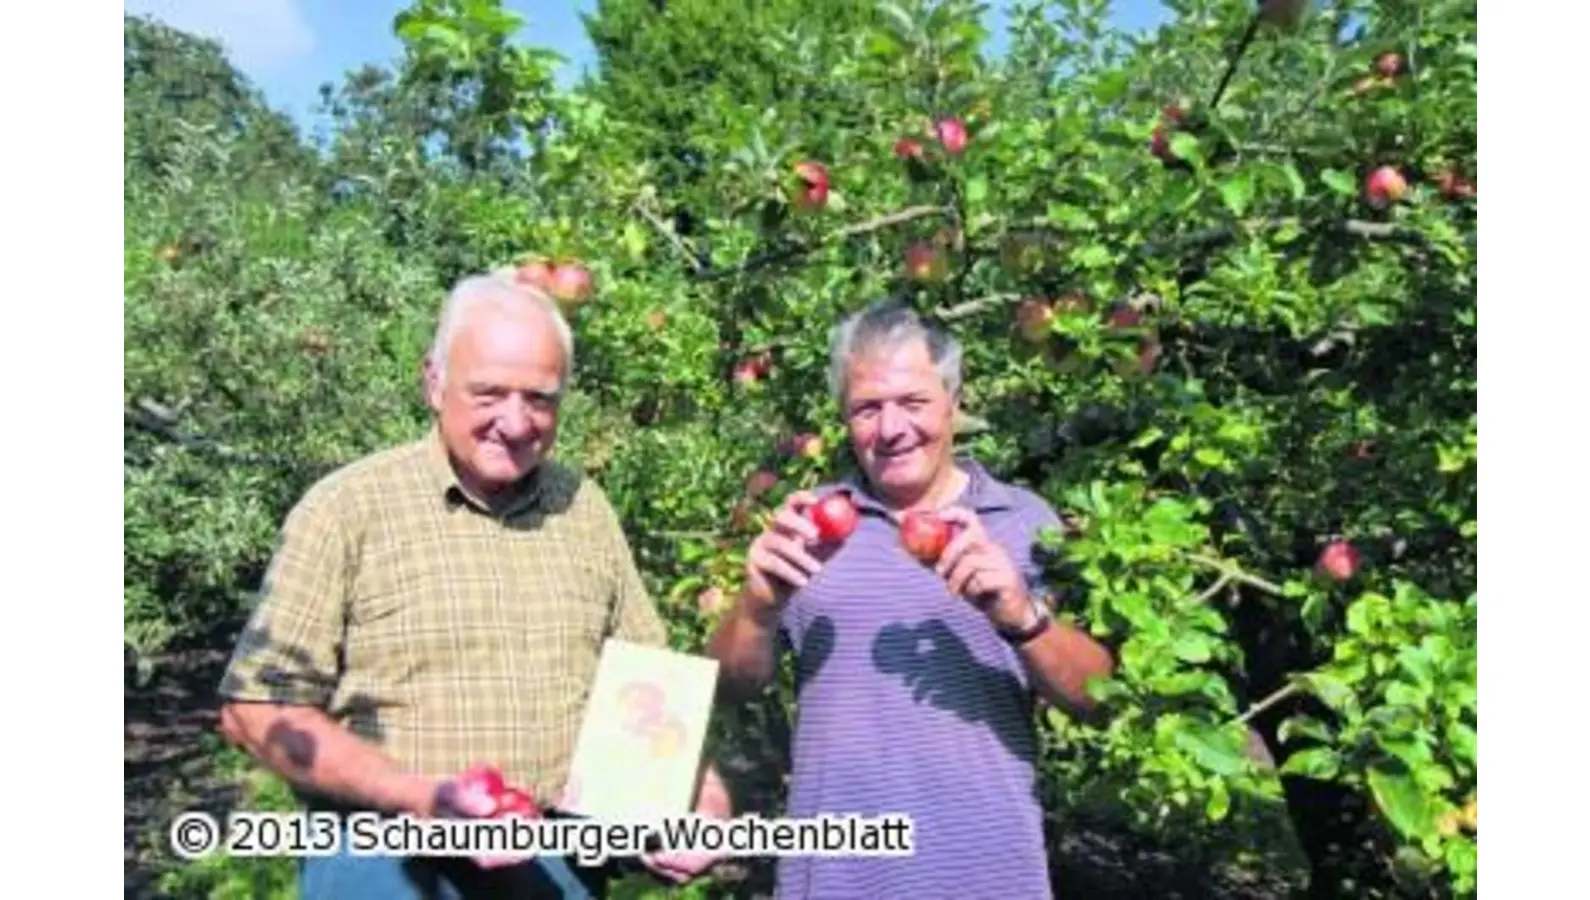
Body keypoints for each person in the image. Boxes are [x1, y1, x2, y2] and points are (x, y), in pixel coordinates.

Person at [215, 269, 732, 899]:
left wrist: (702, 795)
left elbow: (651, 687)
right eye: (488, 393)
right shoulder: (347, 511)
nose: (515, 423)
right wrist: (419, 797)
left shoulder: (583, 509)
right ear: (434, 382)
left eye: (539, 399)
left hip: (557, 867)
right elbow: (257, 709)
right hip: (388, 867)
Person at [708, 300, 1116, 898]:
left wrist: (1023, 619)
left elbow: (1098, 700)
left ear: (953, 401)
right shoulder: (808, 529)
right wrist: (757, 607)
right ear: (844, 417)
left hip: (986, 874)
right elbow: (727, 688)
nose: (892, 428)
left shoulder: (1025, 522)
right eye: (867, 408)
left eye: (914, 402)